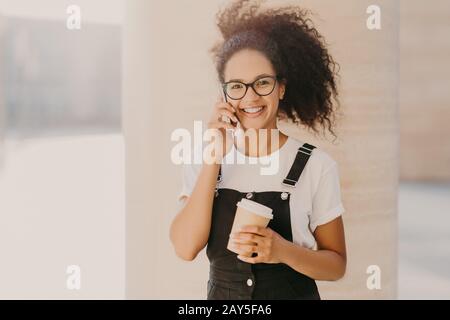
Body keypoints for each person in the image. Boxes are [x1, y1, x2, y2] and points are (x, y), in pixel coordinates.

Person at [170, 0, 346, 300]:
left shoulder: (316, 165)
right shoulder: (206, 157)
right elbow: (185, 248)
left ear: (281, 87)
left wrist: (282, 251)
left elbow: (336, 265)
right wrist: (213, 158)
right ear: (224, 93)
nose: (250, 97)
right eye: (237, 86)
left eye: (262, 82)